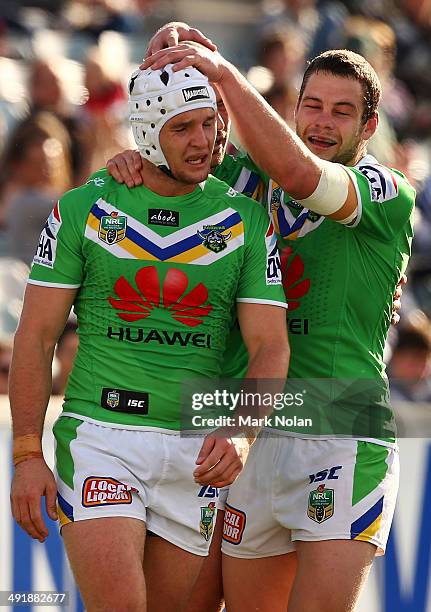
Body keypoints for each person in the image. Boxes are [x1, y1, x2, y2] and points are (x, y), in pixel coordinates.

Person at [108, 23, 415, 612]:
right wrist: (135, 155)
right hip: (249, 426)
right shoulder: (250, 183)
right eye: (313, 107)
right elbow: (176, 160)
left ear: (369, 127)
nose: (323, 123)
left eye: (342, 113)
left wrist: (224, 74)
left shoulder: (384, 189)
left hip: (340, 432)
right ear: (293, 110)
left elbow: (303, 177)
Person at [9, 64, 289, 612]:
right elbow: (37, 336)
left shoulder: (248, 221)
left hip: (195, 448)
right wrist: (25, 453)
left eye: (209, 123)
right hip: (101, 435)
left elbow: (270, 345)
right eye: (182, 127)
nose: (203, 141)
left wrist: (242, 433)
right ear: (145, 132)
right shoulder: (82, 208)